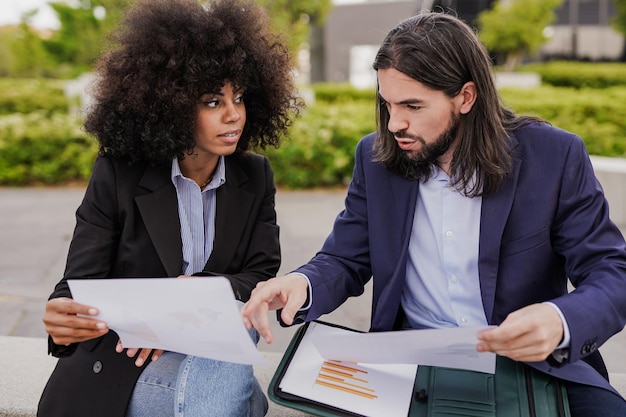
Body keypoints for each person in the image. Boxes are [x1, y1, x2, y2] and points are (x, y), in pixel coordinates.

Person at [242, 11, 626, 417]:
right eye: (387, 103)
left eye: (412, 105)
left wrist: (558, 319)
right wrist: (302, 283)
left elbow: (611, 271)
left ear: (465, 97)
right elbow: (346, 258)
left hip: (533, 366)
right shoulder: (375, 161)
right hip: (410, 368)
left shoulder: (553, 155)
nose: (395, 123)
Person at [37, 0, 302, 416]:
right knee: (235, 400)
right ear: (171, 105)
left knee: (235, 319)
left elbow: (259, 275)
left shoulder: (254, 176)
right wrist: (61, 318)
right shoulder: (118, 174)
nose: (234, 115)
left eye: (240, 97)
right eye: (213, 101)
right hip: (127, 359)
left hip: (210, 349)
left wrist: (187, 305)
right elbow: (77, 287)